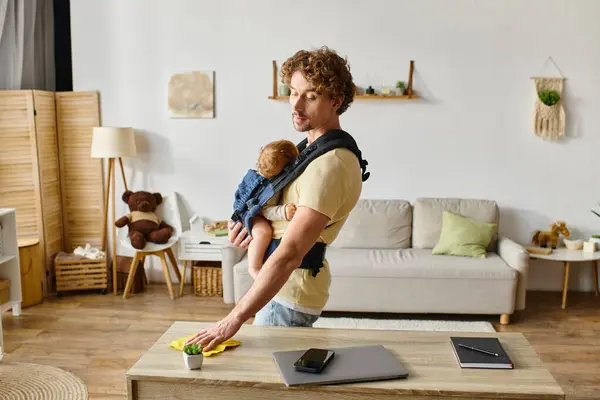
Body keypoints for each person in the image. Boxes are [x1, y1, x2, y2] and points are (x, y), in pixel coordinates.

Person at [185, 46, 364, 352]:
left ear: (335, 101)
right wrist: (249, 226)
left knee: (270, 382)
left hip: (289, 291)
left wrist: (233, 318)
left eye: (311, 95)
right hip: (281, 288)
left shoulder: (330, 164)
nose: (296, 104)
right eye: (293, 92)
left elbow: (291, 251)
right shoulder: (308, 153)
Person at [236, 139, 300, 279]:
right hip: (251, 213)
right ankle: (254, 267)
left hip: (255, 210)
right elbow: (265, 209)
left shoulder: (271, 177)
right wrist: (282, 212)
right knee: (263, 232)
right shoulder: (268, 187)